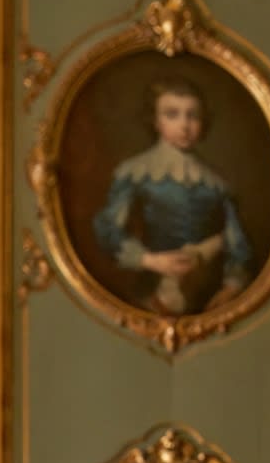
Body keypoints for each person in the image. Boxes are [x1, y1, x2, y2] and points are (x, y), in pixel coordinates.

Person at [92, 75, 253, 316]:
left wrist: (231, 288)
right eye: (172, 114)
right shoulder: (136, 172)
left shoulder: (216, 183)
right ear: (155, 121)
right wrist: (151, 260)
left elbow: (237, 242)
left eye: (193, 115)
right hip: (149, 293)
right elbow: (107, 230)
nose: (184, 125)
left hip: (203, 295)